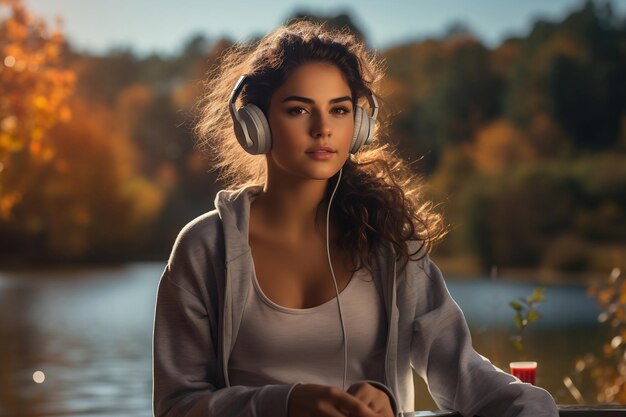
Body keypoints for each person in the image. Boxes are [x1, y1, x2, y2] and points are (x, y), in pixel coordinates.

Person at [152, 20, 558, 417]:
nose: (323, 128)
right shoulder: (204, 247)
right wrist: (287, 403)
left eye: (340, 110)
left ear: (359, 126)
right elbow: (176, 405)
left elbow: (463, 373)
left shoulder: (388, 242)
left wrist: (532, 407)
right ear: (255, 125)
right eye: (298, 110)